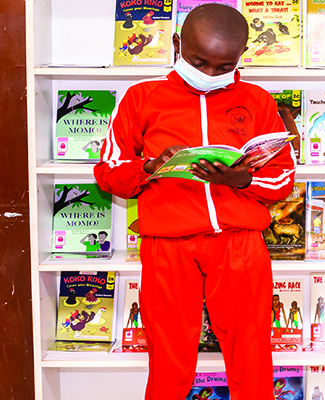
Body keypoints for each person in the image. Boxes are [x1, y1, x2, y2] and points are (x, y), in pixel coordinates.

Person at [92, 4, 295, 399]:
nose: (210, 74)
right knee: (169, 357)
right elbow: (109, 173)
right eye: (200, 62)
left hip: (238, 243)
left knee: (252, 353)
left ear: (240, 58)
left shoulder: (257, 100)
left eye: (225, 66)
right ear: (177, 44)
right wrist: (150, 166)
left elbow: (283, 178)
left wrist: (243, 178)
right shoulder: (141, 98)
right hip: (167, 245)